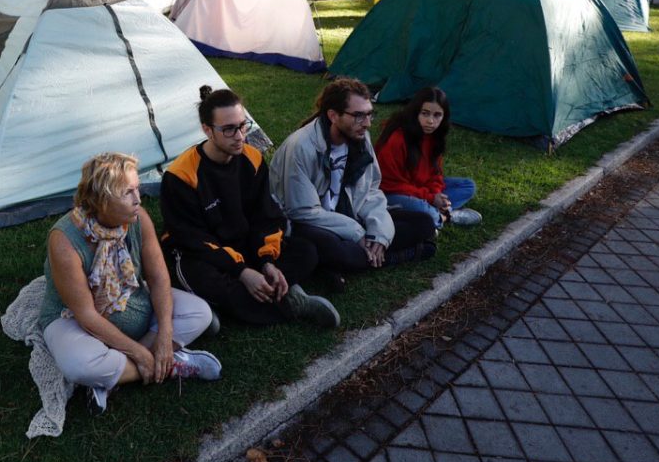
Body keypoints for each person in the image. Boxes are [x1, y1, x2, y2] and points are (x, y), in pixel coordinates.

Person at [39, 152, 221, 410]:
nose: (138, 199)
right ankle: (169, 365)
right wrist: (141, 354)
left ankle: (114, 377)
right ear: (101, 200)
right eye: (128, 193)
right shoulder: (64, 240)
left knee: (200, 313)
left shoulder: (137, 218)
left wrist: (166, 332)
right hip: (71, 318)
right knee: (78, 365)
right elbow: (86, 315)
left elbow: (158, 278)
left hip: (131, 298)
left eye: (137, 189)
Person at [159, 87, 340, 328]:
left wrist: (266, 262)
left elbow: (265, 216)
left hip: (244, 245)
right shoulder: (180, 176)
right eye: (229, 129)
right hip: (203, 253)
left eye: (243, 125)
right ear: (207, 130)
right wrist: (242, 272)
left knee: (306, 251)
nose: (240, 136)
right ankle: (292, 302)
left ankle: (241, 301)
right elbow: (192, 239)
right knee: (204, 277)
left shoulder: (252, 158)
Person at [270, 78, 438, 281]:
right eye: (358, 116)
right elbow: (302, 211)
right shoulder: (301, 148)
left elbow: (371, 190)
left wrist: (379, 233)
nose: (366, 123)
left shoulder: (360, 137)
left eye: (369, 114)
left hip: (350, 213)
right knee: (338, 251)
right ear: (333, 115)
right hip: (309, 222)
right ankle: (393, 256)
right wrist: (357, 232)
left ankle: (349, 263)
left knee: (424, 222)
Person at [376, 87, 481, 228]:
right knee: (424, 212)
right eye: (425, 114)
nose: (430, 121)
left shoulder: (435, 137)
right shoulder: (397, 138)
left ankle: (436, 211)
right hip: (392, 193)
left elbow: (436, 174)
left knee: (467, 186)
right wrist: (431, 197)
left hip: (420, 189)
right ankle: (445, 216)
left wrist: (436, 193)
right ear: (415, 112)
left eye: (437, 115)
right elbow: (390, 184)